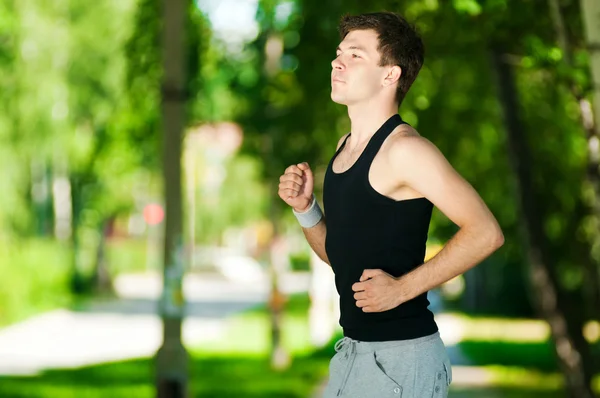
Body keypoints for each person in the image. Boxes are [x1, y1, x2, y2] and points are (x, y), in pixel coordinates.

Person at [277, 11, 504, 398]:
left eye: (356, 54)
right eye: (338, 52)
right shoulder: (343, 150)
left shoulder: (406, 151)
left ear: (390, 74)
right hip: (352, 355)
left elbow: (486, 233)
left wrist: (401, 289)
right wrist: (305, 208)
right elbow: (342, 258)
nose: (337, 61)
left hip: (402, 360)